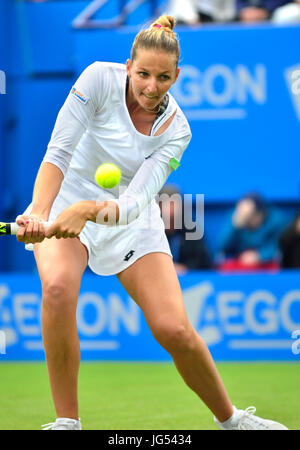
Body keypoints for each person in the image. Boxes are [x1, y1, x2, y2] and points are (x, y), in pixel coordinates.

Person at [16, 16, 287, 430]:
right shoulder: (95, 80)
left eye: (163, 77)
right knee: (56, 288)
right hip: (64, 199)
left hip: (129, 218)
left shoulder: (177, 130)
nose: (150, 86)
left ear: (176, 76)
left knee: (173, 328)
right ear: (128, 66)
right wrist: (39, 212)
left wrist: (87, 210)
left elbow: (134, 203)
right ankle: (67, 421)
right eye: (143, 73)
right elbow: (58, 153)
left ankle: (231, 420)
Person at [216, 193, 287, 272]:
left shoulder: (276, 219)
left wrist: (260, 255)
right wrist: (234, 226)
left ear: (261, 213)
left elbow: (281, 246)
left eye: (252, 215)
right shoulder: (235, 217)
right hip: (240, 265)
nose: (249, 220)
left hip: (266, 265)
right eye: (246, 216)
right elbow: (220, 247)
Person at [159, 184, 212, 274]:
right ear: (159, 206)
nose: (171, 209)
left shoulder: (191, 227)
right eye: (167, 204)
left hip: (187, 279)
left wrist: (186, 267)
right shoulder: (152, 229)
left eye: (174, 204)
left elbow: (204, 260)